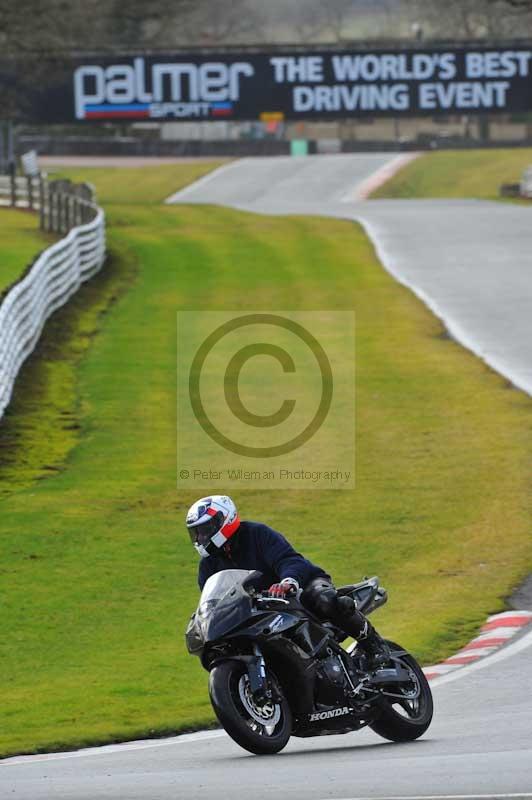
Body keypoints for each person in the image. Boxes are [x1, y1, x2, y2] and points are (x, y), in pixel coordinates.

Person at [186, 494, 389, 667]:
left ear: (225, 519)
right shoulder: (208, 566)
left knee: (324, 598)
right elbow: (214, 599)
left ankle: (374, 645)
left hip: (298, 588)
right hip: (258, 612)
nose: (201, 537)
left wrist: (288, 582)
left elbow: (288, 559)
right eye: (197, 533)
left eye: (205, 529)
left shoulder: (256, 534)